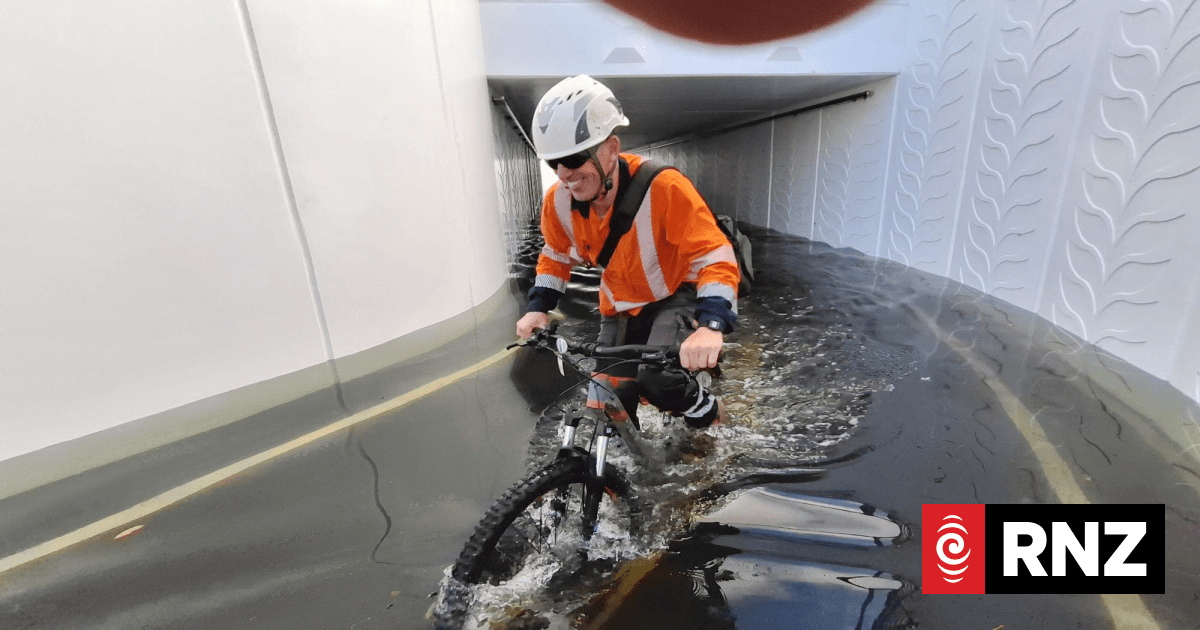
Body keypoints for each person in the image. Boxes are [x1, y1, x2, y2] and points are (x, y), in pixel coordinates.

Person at [515, 75, 739, 428]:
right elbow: (556, 256)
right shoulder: (557, 203)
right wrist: (537, 309)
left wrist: (711, 326)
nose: (564, 175)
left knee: (658, 380)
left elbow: (715, 257)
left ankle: (718, 424)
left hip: (673, 295)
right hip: (618, 305)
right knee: (606, 399)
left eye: (573, 159)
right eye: (553, 163)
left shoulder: (665, 188)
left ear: (612, 147)